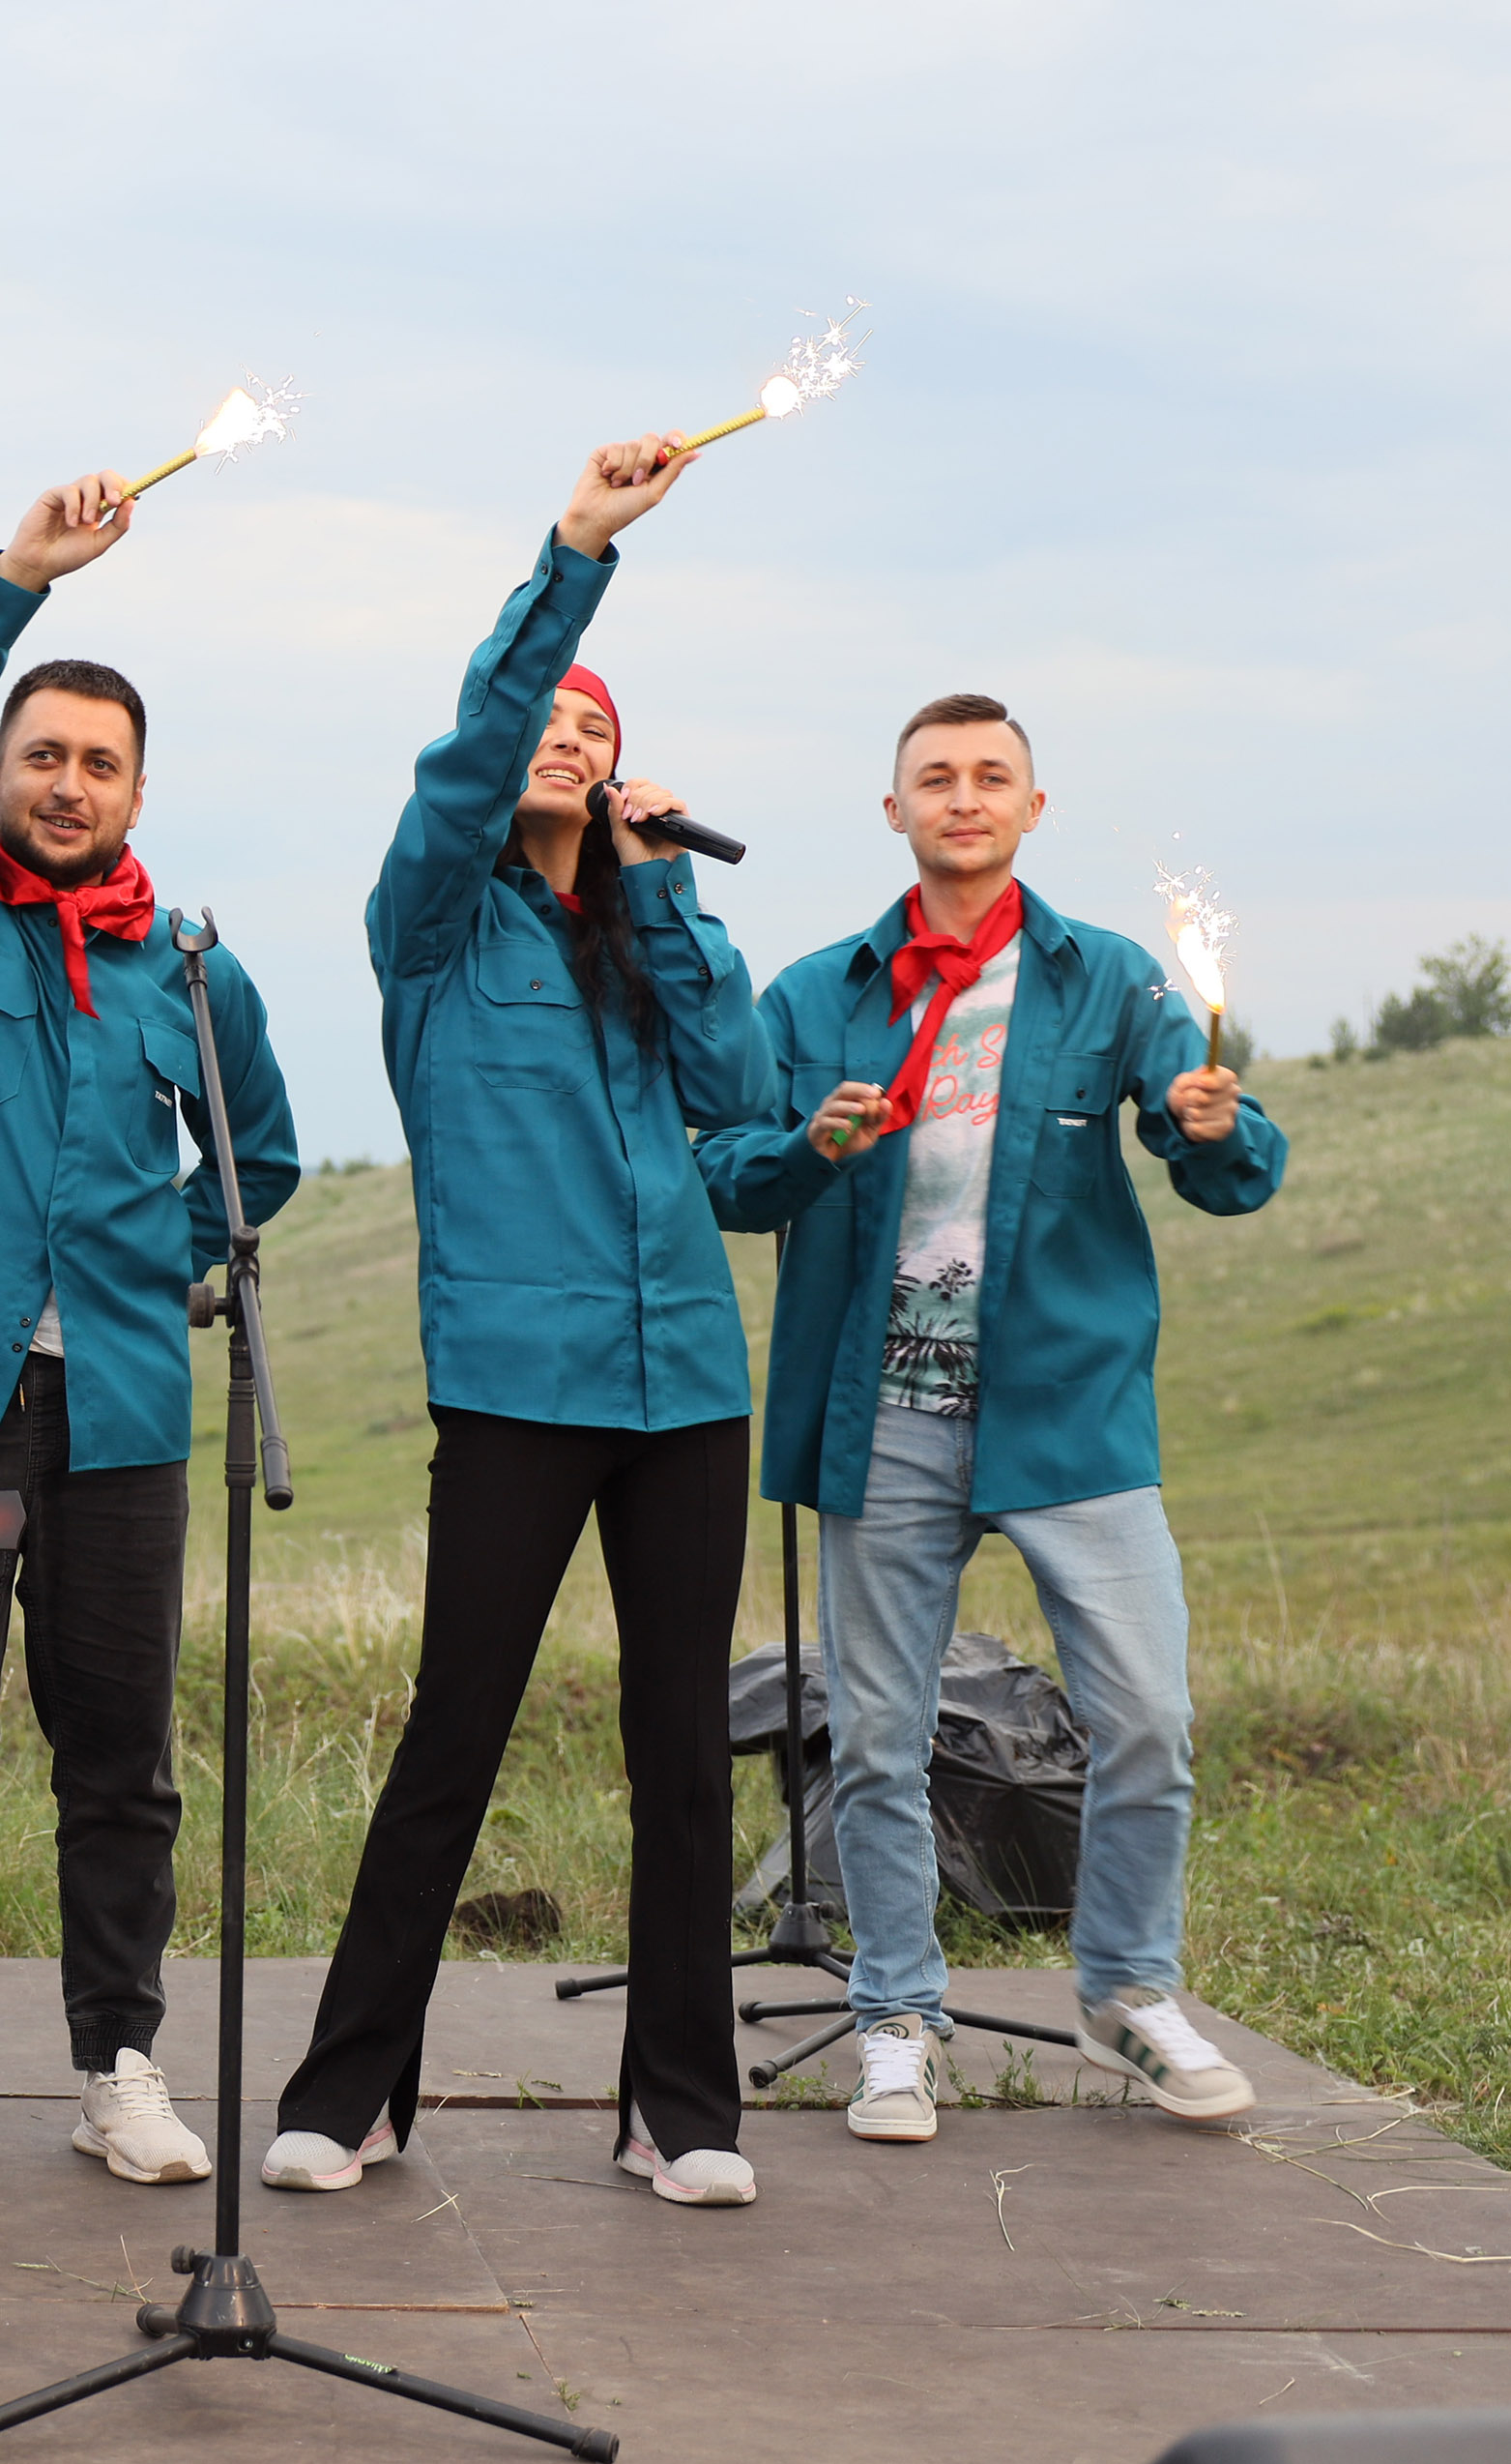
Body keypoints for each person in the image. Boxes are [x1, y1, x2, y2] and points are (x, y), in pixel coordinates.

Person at [265, 434, 814, 2213]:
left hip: (687, 1393)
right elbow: (470, 740)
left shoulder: (651, 928)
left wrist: (664, 892)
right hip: (515, 1385)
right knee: (457, 1726)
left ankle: (678, 2106)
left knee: (680, 1747)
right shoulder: (429, 927)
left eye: (596, 729)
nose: (565, 744)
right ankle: (356, 2089)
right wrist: (575, 554)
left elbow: (738, 1097)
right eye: (543, 728)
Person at [0, 474, 302, 2188]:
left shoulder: (192, 964)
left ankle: (120, 2063)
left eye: (100, 764)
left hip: (124, 1419)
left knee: (120, 1755)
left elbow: (265, 1159)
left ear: (137, 790)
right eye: (42, 756)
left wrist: (146, 1274)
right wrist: (13, 578)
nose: (67, 783)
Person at [699, 693, 1285, 2144]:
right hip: (879, 1407)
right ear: (890, 811)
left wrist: (1216, 1126)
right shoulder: (813, 992)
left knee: (1146, 1715)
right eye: (933, 778)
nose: (962, 797)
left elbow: (1214, 1150)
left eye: (989, 777)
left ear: (1031, 807)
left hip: (1065, 1410)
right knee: (879, 1736)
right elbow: (727, 1171)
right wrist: (804, 1144)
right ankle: (895, 2014)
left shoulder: (1109, 979)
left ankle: (1127, 1992)